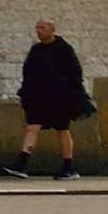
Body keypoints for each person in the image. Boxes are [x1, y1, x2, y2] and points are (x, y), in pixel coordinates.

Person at [13, 16, 91, 176]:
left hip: (59, 97)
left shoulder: (64, 49)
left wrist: (71, 93)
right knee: (32, 127)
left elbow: (75, 73)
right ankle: (22, 165)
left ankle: (68, 167)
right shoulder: (36, 50)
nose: (38, 32)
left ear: (52, 29)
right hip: (39, 97)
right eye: (37, 28)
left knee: (62, 129)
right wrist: (27, 92)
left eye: (42, 28)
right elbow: (28, 72)